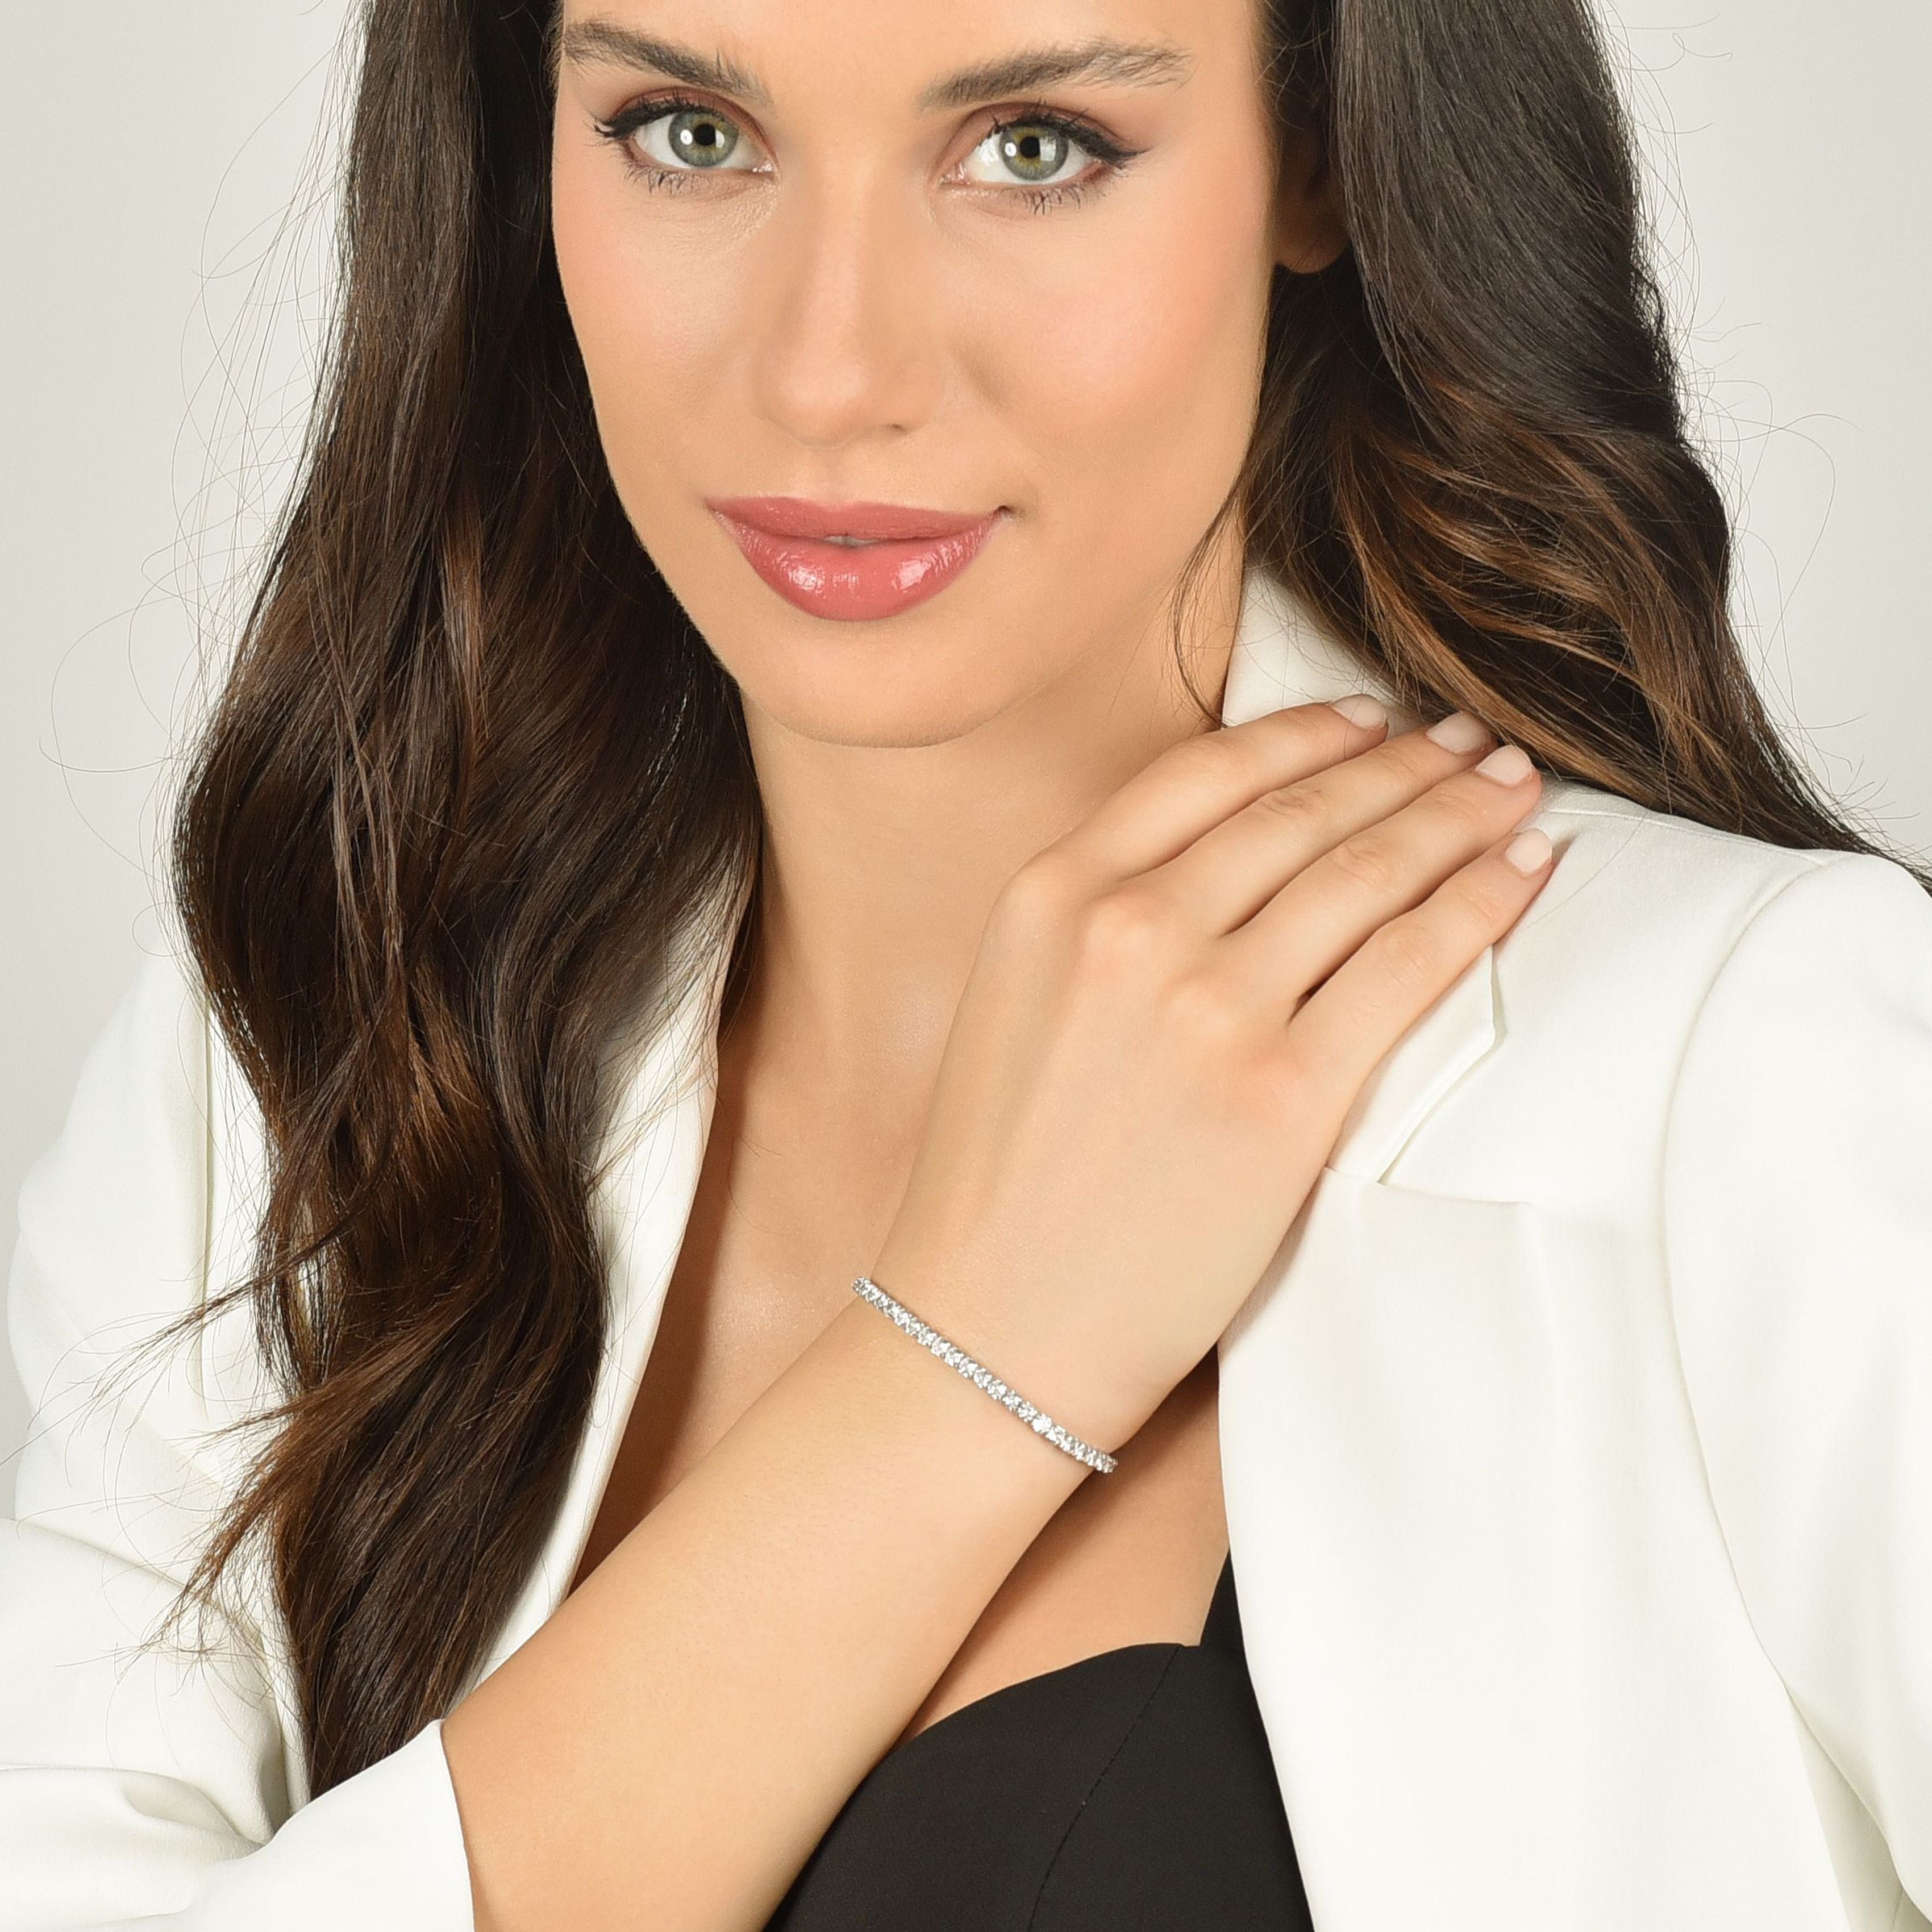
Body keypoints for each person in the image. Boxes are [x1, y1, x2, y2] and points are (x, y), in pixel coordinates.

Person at [3, 0, 1928, 1927]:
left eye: (1034, 148)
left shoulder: (1751, 1076)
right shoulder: (297, 1061)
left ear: (1322, 154)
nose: (830, 372)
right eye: (687, 132)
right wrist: (974, 1352)